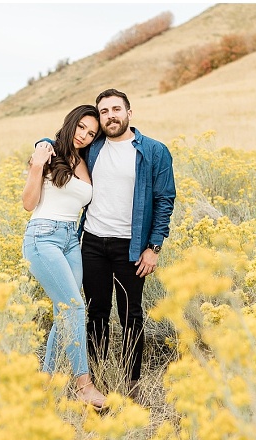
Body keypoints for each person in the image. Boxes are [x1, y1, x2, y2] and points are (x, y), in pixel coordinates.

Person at [43, 89, 176, 399]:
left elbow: (164, 200)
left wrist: (153, 247)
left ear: (130, 113)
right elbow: (60, 142)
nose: (110, 115)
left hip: (131, 247)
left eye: (116, 109)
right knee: (96, 312)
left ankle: (130, 383)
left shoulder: (154, 151)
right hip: (91, 244)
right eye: (104, 111)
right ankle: (98, 377)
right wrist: (42, 144)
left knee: (131, 314)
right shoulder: (93, 147)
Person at [22, 104, 107, 411]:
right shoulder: (47, 151)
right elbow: (28, 204)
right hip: (42, 237)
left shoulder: (85, 161)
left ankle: (45, 385)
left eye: (91, 133)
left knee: (65, 312)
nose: (84, 135)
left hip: (72, 240)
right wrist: (36, 165)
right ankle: (84, 386)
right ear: (71, 123)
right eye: (82, 127)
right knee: (74, 307)